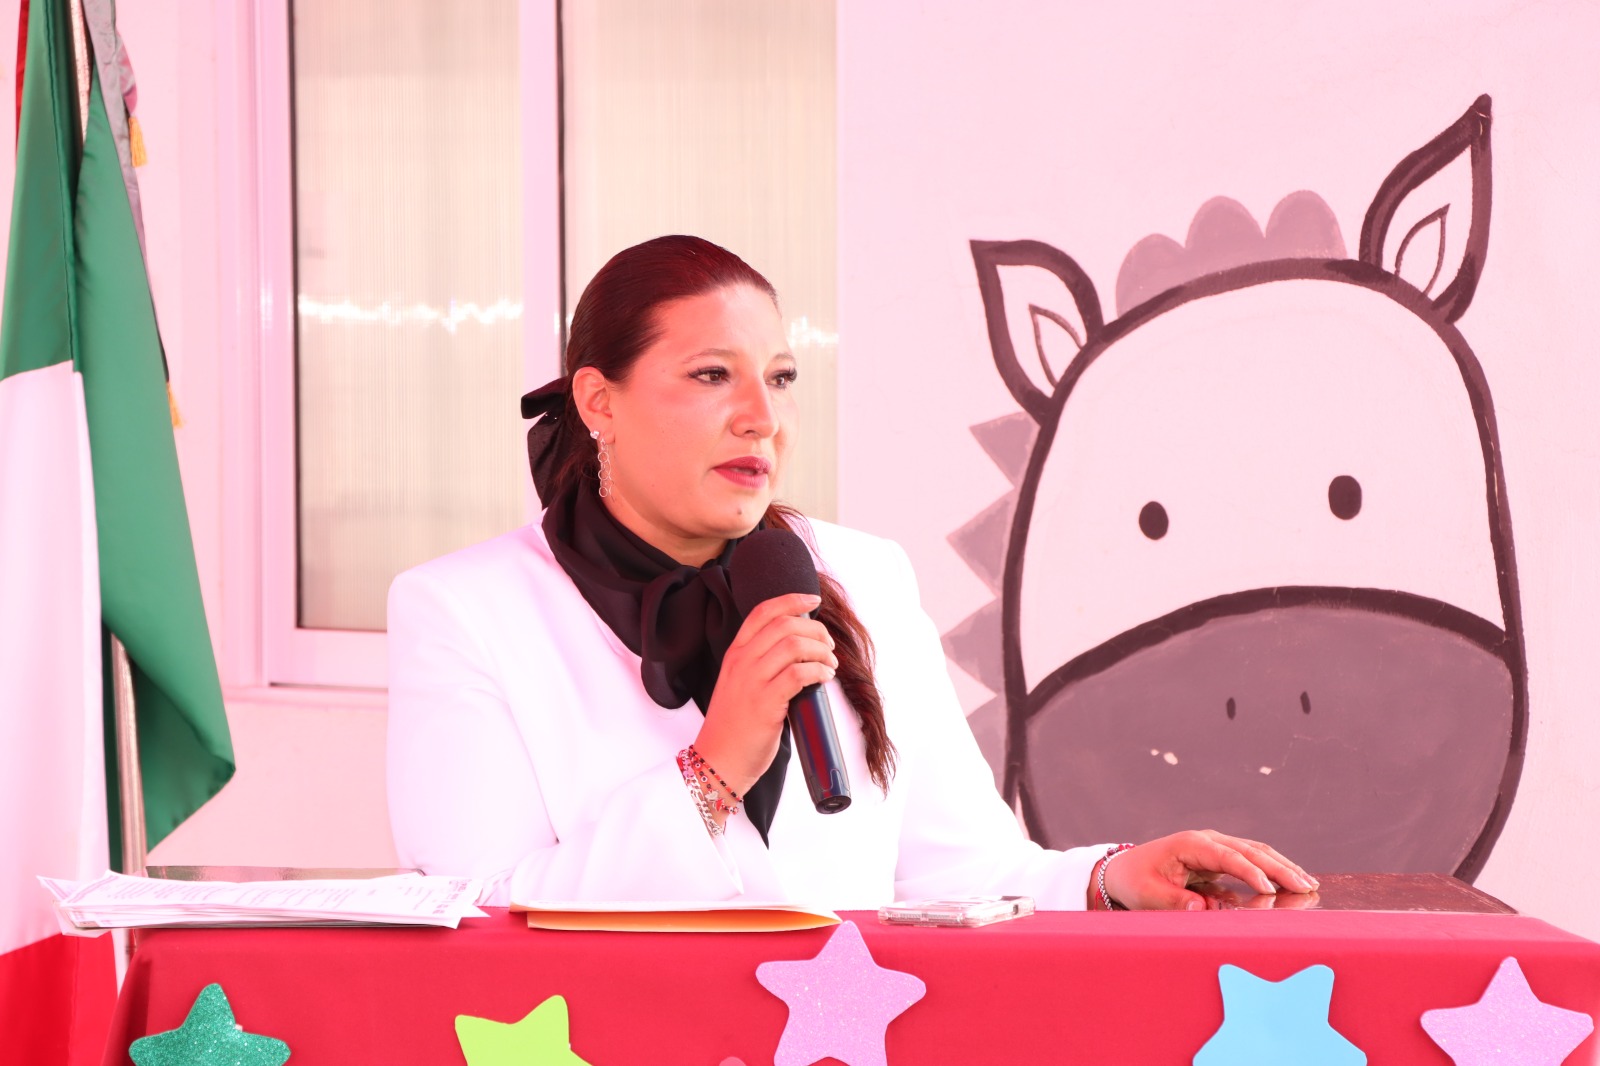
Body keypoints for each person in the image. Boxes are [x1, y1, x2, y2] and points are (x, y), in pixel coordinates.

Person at [386, 234, 1316, 910]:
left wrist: (1110, 877)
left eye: (781, 378)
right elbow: (478, 912)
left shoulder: (863, 575)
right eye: (712, 376)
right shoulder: (465, 610)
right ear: (599, 401)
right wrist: (712, 769)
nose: (761, 417)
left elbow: (957, 871)